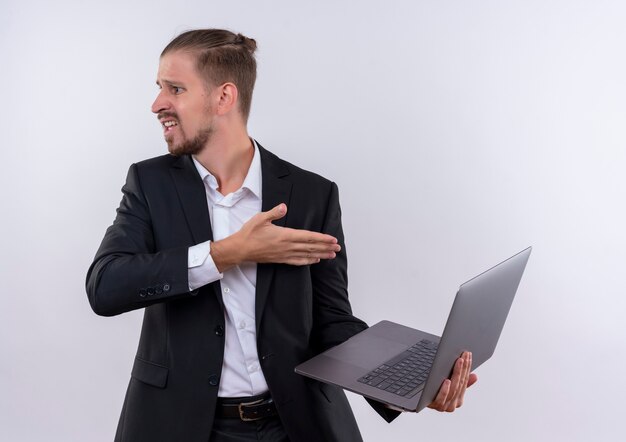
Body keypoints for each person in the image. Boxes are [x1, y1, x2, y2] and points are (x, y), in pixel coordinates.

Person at [86, 28, 477, 442]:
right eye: (159, 88)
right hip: (182, 425)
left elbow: (332, 323)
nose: (157, 103)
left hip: (295, 425)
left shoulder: (312, 195)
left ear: (224, 97)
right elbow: (105, 286)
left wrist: (410, 385)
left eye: (175, 89)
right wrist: (230, 252)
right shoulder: (150, 184)